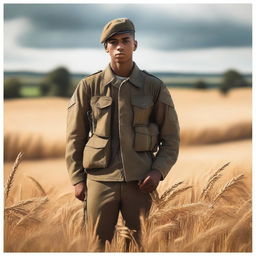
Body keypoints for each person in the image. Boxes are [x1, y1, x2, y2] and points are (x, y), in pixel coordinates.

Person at [65, 17, 180, 250]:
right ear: (106, 48)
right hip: (99, 180)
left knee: (139, 245)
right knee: (95, 245)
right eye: (113, 42)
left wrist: (158, 171)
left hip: (140, 181)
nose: (119, 46)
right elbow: (74, 137)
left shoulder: (154, 87)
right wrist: (77, 179)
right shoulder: (88, 86)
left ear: (135, 45)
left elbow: (171, 138)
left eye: (125, 40)